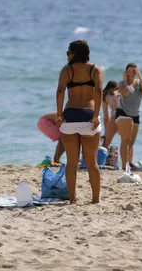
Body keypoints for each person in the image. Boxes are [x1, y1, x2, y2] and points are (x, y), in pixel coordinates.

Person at [56, 40, 103, 204]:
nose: (67, 55)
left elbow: (61, 91)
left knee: (71, 163)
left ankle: (73, 200)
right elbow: (98, 92)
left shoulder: (66, 70)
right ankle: (95, 200)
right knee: (92, 163)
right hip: (89, 116)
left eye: (68, 52)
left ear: (74, 53)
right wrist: (96, 115)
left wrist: (59, 114)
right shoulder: (95, 70)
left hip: (69, 116)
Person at [115, 64, 142, 170]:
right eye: (129, 71)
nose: (132, 73)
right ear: (126, 72)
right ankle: (124, 165)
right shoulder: (121, 83)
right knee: (125, 140)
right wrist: (125, 80)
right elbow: (125, 93)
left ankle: (129, 162)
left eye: (134, 71)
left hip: (135, 114)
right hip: (123, 112)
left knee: (131, 142)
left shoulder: (139, 83)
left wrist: (140, 75)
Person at [102, 80, 120, 148]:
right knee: (127, 142)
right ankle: (129, 159)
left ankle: (101, 158)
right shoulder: (121, 93)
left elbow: (106, 117)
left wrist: (106, 133)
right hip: (127, 115)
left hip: (116, 115)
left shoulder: (105, 95)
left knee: (106, 144)